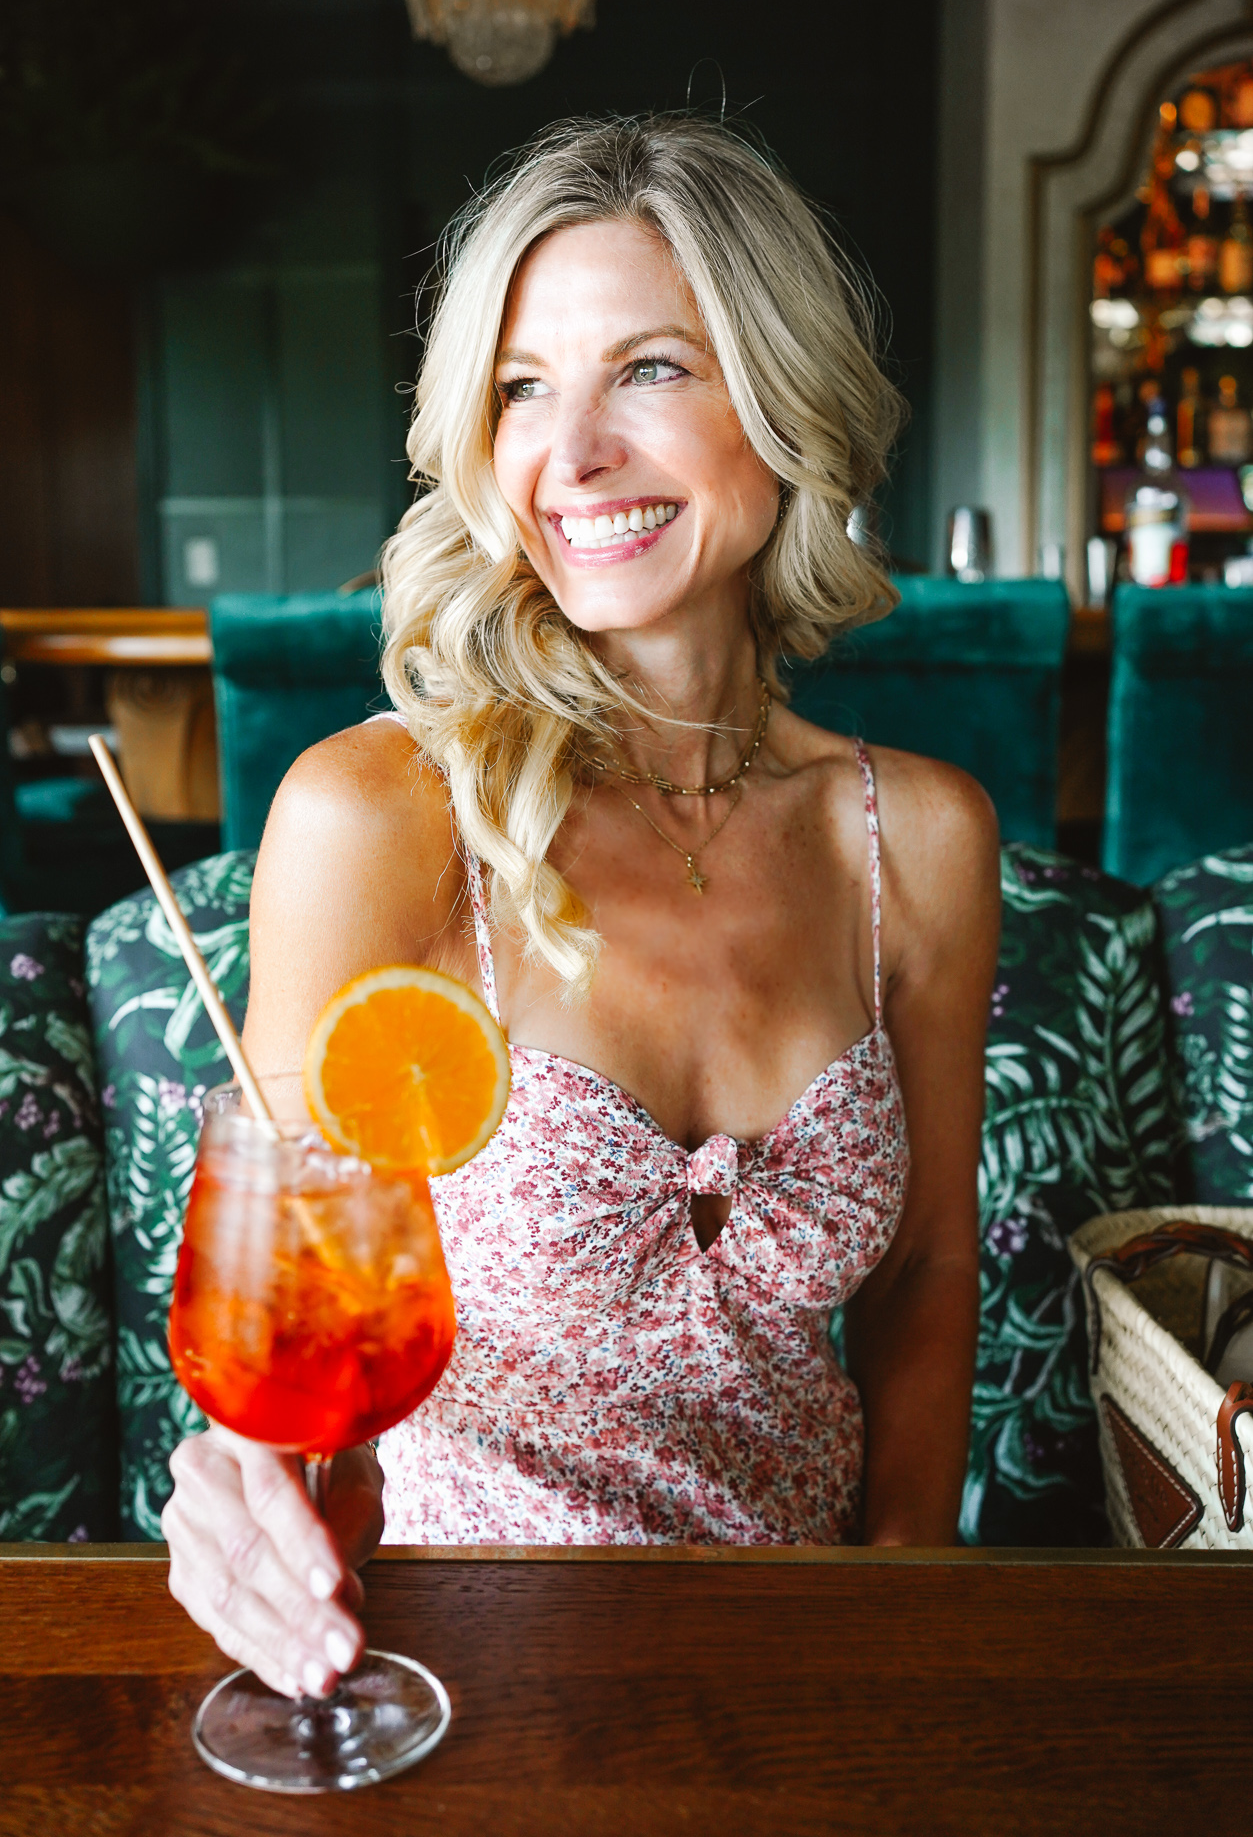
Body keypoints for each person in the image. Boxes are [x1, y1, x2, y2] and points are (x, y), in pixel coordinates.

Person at [163, 114, 1000, 1702]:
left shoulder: (917, 839)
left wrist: (904, 1621)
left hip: (805, 1678)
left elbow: (927, 1275)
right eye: (519, 389)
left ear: (785, 393)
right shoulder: (381, 819)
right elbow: (283, 1332)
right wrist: (251, 1501)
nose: (574, 454)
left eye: (652, 370)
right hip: (450, 1678)